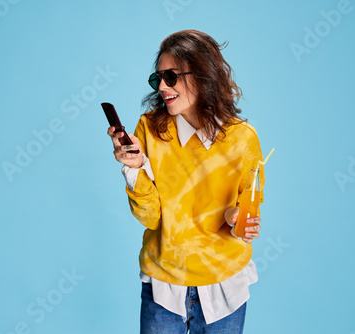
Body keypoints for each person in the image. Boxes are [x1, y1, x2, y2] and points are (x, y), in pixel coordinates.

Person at [107, 30, 265, 334]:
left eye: (172, 76)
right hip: (164, 285)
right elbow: (151, 218)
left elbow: (250, 205)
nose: (163, 86)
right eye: (158, 79)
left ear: (204, 75)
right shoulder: (149, 130)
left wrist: (235, 217)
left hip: (225, 284)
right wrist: (135, 168)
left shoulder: (243, 139)